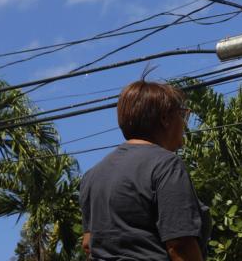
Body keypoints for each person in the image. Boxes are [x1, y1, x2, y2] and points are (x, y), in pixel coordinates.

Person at [80, 80, 209, 261]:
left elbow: (88, 243)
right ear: (165, 118)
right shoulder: (166, 165)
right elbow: (180, 244)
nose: (184, 124)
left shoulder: (92, 176)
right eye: (182, 115)